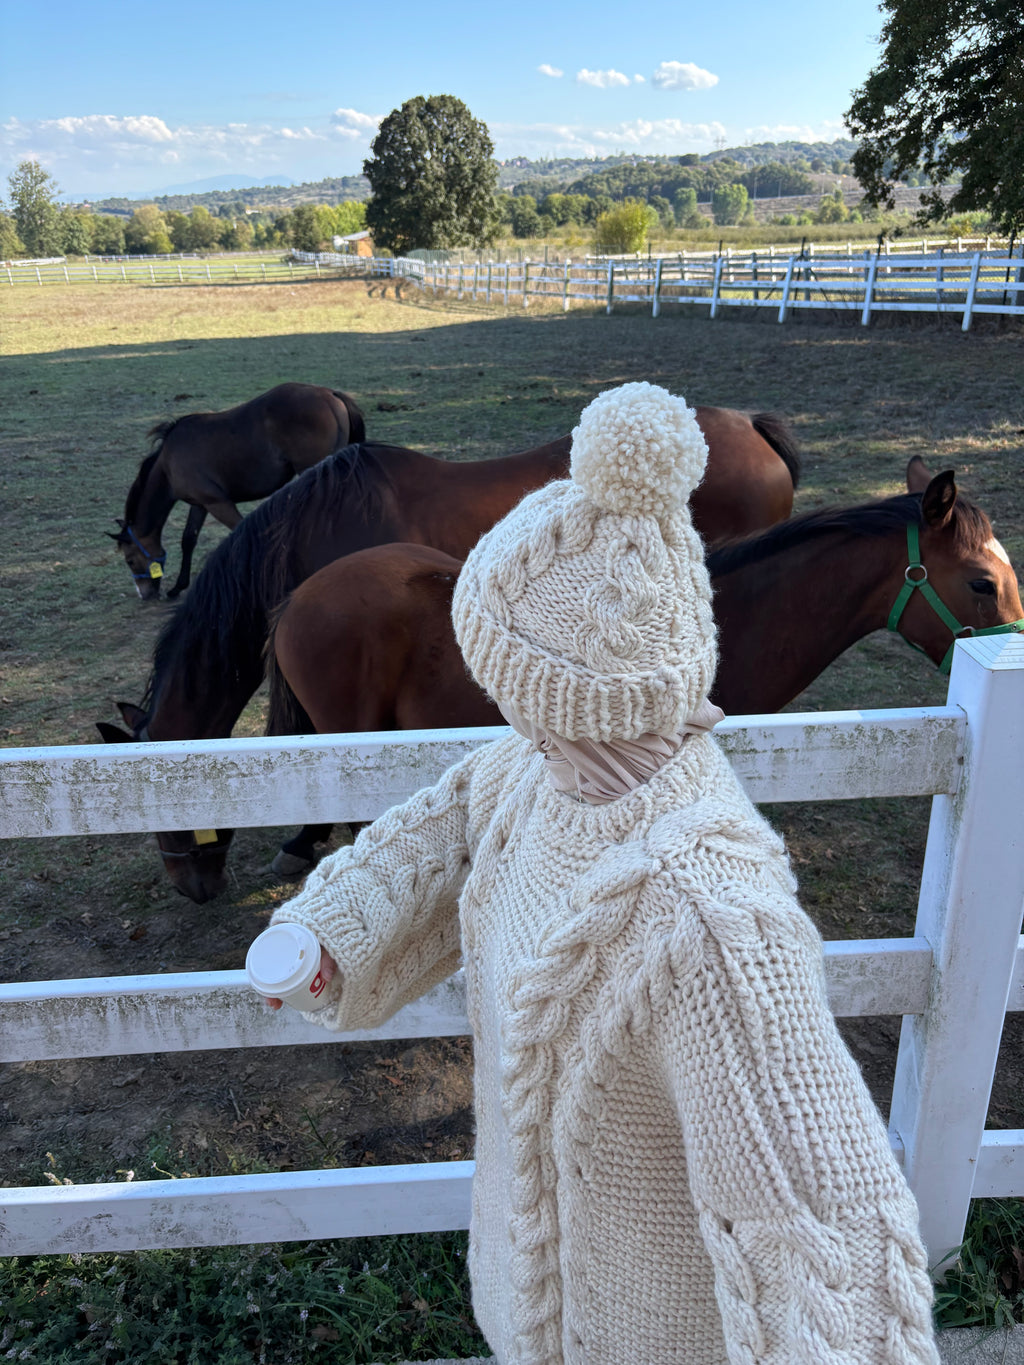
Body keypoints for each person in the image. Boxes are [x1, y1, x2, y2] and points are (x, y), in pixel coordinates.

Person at [258, 382, 940, 1364]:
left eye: (502, 677)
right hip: (530, 1301)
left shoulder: (710, 924)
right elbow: (439, 836)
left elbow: (825, 1227)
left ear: (560, 693)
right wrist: (331, 932)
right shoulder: (532, 771)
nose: (496, 703)